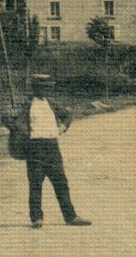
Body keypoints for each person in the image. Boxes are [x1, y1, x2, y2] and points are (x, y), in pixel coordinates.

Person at [21, 74, 91, 229]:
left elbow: (67, 115)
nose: (44, 90)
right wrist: (22, 132)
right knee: (35, 183)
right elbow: (8, 118)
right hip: (34, 148)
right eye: (40, 87)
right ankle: (36, 218)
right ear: (34, 88)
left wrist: (63, 127)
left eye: (46, 87)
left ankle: (71, 217)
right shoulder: (25, 104)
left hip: (52, 146)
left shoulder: (51, 103)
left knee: (61, 182)